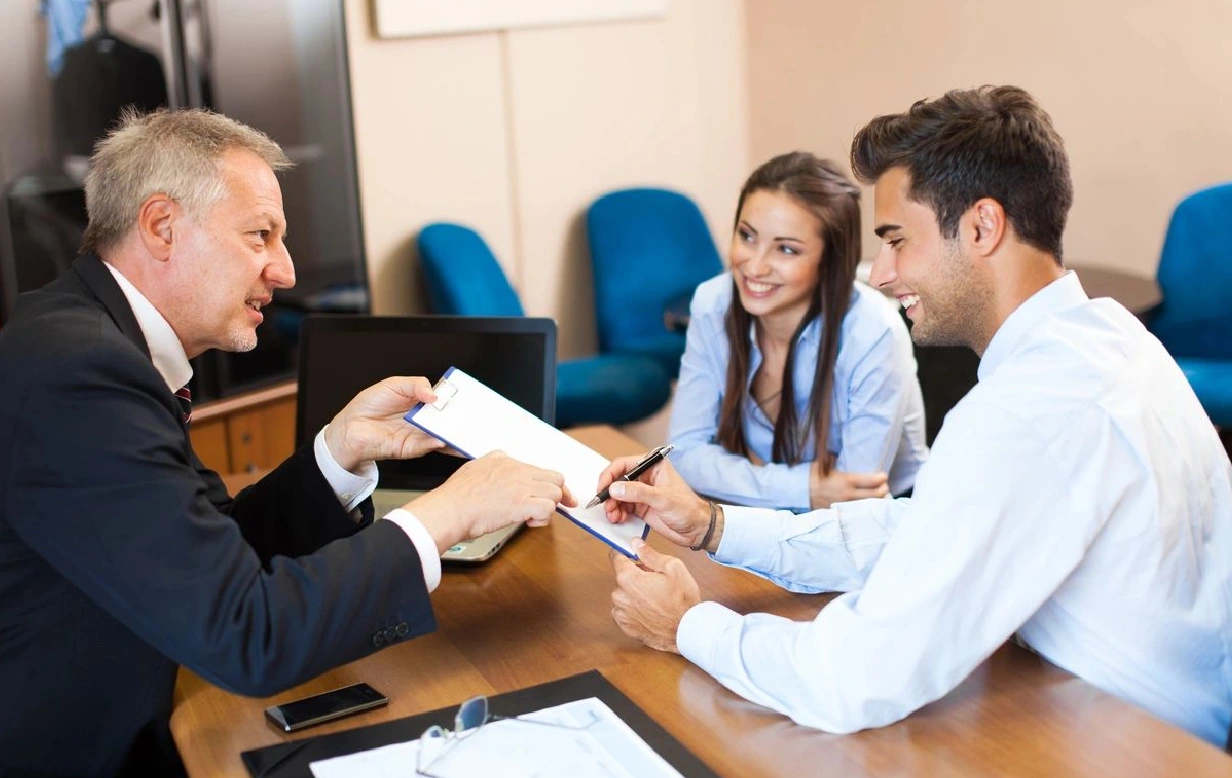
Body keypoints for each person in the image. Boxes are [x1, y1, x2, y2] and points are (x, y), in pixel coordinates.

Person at [602, 86, 1232, 745]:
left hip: (1135, 742)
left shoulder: (1022, 413)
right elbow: (924, 529)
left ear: (982, 227)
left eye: (898, 240)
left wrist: (686, 624)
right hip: (1149, 714)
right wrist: (713, 527)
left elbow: (852, 679)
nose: (883, 273)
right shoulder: (1114, 340)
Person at [0, 108, 574, 777]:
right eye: (260, 236)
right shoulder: (81, 375)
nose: (286, 270)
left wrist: (338, 454)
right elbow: (248, 632)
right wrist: (447, 514)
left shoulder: (89, 338)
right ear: (161, 227)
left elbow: (209, 550)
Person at [669, 152, 927, 509]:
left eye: (786, 249)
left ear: (830, 261)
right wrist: (804, 488)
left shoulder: (873, 333)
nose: (754, 266)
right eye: (747, 236)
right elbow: (684, 454)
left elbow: (855, 501)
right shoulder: (714, 304)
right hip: (761, 514)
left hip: (881, 527)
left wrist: (739, 476)